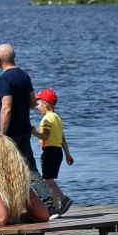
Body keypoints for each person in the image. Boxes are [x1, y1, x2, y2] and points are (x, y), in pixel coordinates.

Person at [0, 43, 58, 218]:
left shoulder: (5, 79)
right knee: (31, 170)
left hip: (9, 133)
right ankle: (49, 207)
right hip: (24, 130)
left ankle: (2, 209)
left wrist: (1, 135)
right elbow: (32, 102)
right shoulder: (24, 76)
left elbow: (6, 108)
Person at [31, 88, 74, 217]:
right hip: (58, 152)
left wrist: (33, 132)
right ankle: (54, 209)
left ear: (46, 104)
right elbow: (62, 139)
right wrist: (67, 154)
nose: (37, 106)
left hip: (49, 151)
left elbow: (45, 137)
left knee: (48, 181)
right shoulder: (58, 119)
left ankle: (64, 199)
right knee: (50, 180)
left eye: (38, 103)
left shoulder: (46, 119)